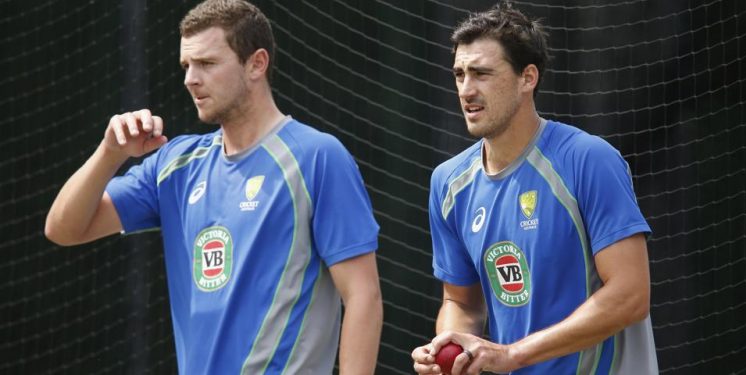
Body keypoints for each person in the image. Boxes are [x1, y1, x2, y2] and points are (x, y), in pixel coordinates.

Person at [44, 0, 382, 374]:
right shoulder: (176, 164)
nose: (190, 78)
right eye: (186, 66)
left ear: (256, 64)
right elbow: (64, 228)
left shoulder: (317, 157)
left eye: (206, 64)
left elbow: (363, 295)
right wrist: (109, 153)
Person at [411, 2, 658, 374]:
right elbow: (461, 303)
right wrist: (451, 346)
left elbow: (630, 295)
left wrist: (514, 354)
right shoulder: (448, 182)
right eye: (459, 74)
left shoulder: (587, 159)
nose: (466, 89)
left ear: (528, 78)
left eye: (481, 73)